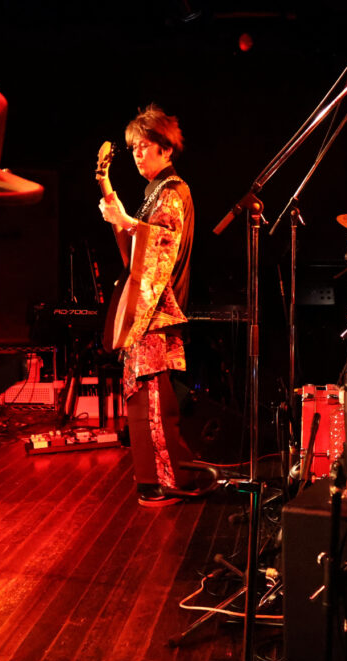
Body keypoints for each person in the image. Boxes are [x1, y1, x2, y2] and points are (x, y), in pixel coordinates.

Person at [99, 104, 197, 507]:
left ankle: (163, 482)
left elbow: (161, 245)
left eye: (145, 146)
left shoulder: (172, 192)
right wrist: (118, 212)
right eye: (134, 147)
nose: (138, 154)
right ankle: (152, 481)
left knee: (152, 400)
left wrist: (126, 221)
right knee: (144, 398)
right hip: (147, 311)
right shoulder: (153, 193)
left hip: (155, 313)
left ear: (165, 149)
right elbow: (134, 256)